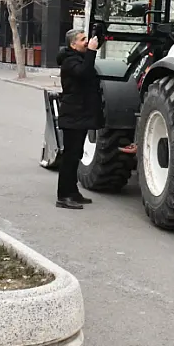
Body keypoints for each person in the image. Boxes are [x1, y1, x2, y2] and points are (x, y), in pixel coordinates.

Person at [54, 28, 103, 210]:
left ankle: (73, 192)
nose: (86, 42)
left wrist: (98, 36)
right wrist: (91, 51)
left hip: (79, 115)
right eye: (82, 40)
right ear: (72, 44)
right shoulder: (69, 61)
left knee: (76, 155)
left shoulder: (79, 57)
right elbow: (83, 73)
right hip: (72, 115)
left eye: (86, 39)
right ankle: (63, 196)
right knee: (70, 156)